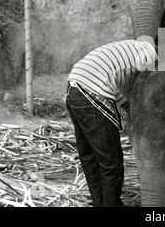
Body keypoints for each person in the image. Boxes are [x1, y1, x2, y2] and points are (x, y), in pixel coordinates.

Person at [65, 39, 156, 207]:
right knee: (111, 161)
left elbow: (118, 85)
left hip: (74, 87)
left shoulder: (130, 48)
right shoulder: (149, 56)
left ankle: (100, 203)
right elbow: (136, 93)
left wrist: (131, 114)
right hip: (92, 90)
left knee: (90, 155)